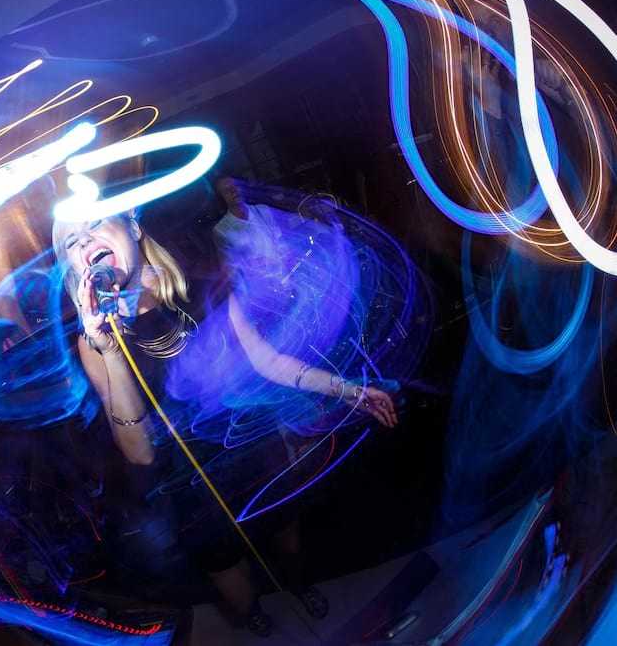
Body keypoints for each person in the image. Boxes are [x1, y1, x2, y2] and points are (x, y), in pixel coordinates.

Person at [51, 202, 397, 636]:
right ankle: (255, 619)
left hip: (253, 456)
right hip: (189, 486)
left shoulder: (201, 288)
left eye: (94, 223)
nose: (84, 239)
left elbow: (269, 361)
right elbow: (138, 453)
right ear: (73, 266)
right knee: (233, 581)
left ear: (133, 226)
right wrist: (111, 350)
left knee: (287, 542)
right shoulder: (95, 342)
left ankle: (298, 584)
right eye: (71, 240)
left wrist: (347, 389)